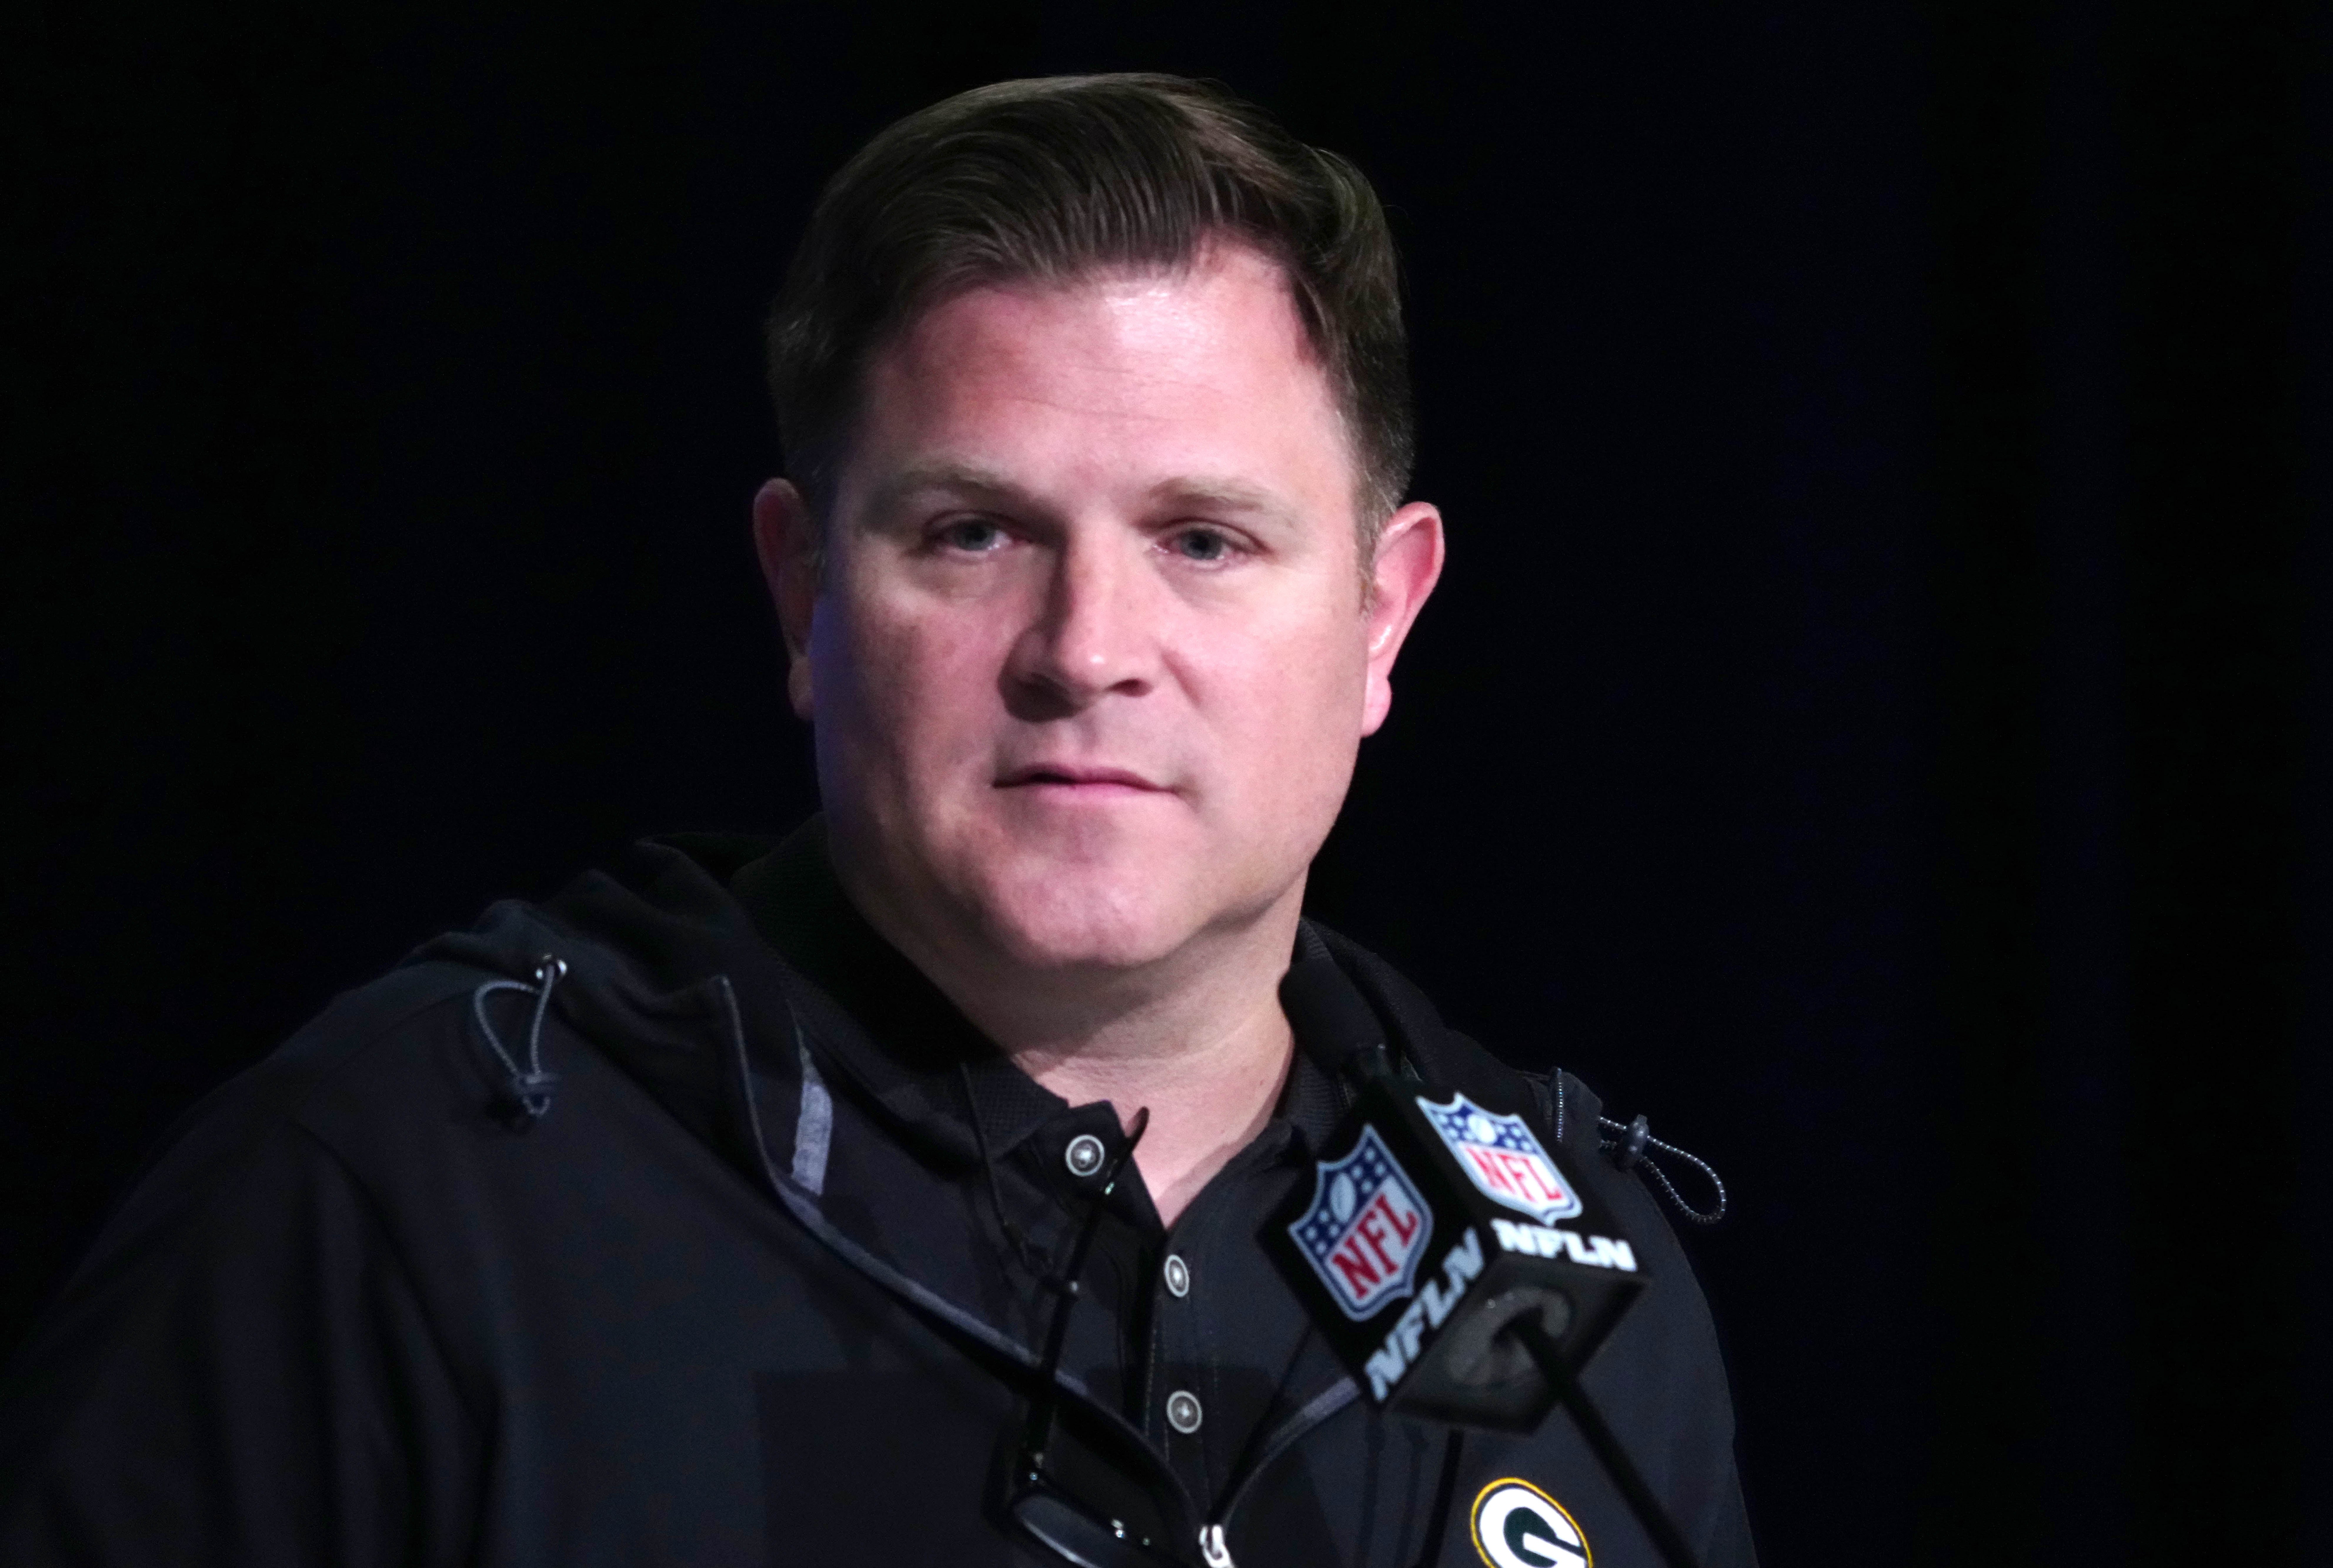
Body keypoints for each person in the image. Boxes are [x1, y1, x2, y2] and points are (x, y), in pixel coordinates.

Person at [0, 74, 1754, 1567]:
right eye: (973, 533)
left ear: (1381, 616)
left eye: (1204, 541)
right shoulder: (398, 1203)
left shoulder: (1571, 1286)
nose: (1085, 649)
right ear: (801, 588)